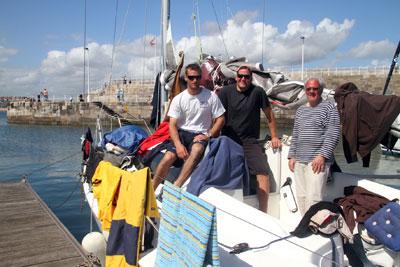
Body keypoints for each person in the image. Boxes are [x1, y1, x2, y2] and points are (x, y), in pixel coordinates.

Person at [152, 63, 225, 190]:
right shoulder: (179, 99)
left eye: (197, 77)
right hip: (181, 133)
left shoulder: (211, 96)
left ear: (200, 77)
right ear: (185, 78)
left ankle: (177, 185)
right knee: (168, 157)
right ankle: (151, 190)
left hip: (199, 134)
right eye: (191, 77)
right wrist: (179, 145)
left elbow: (221, 118)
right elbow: (172, 125)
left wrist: (208, 135)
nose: (194, 80)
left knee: (196, 150)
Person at [218, 65, 281, 212]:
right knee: (223, 170)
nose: (243, 79)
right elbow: (216, 116)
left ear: (250, 78)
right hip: (229, 139)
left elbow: (269, 115)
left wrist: (274, 136)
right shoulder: (225, 92)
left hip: (250, 141)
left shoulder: (258, 92)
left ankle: (263, 212)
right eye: (240, 76)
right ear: (236, 77)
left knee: (263, 172)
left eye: (246, 77)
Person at [288, 77, 340, 215]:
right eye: (309, 89)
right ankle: (305, 224)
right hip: (299, 161)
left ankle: (314, 227)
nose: (311, 91)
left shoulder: (329, 107)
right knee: (302, 197)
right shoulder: (300, 110)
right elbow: (296, 134)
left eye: (315, 89)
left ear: (321, 90)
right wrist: (292, 156)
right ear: (305, 91)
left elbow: (333, 133)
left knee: (314, 199)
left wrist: (322, 156)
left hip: (317, 161)